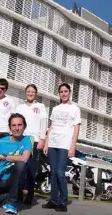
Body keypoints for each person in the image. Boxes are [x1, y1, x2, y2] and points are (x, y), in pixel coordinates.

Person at [42, 83, 81, 212]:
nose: (63, 94)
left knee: (60, 173)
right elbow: (51, 126)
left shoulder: (75, 109)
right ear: (59, 94)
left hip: (64, 144)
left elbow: (76, 128)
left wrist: (72, 146)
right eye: (61, 92)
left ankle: (63, 201)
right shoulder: (56, 108)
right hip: (53, 143)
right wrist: (47, 142)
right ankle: (53, 200)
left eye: (65, 91)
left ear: (69, 93)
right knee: (52, 173)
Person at [16, 84, 48, 204]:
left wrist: (42, 139)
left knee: (30, 168)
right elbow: (15, 122)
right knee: (19, 167)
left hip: (33, 140)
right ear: (25, 92)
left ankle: (30, 194)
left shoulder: (40, 106)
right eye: (28, 91)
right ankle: (18, 193)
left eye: (33, 92)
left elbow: (44, 123)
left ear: (36, 94)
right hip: (21, 139)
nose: (30, 93)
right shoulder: (20, 107)